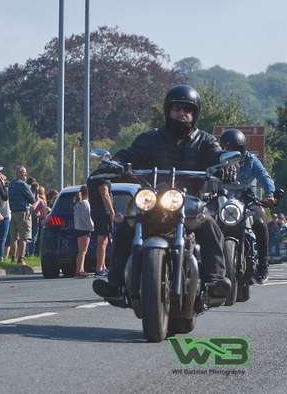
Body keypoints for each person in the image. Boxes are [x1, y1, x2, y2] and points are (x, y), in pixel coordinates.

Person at [92, 84, 231, 300]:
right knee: (126, 224)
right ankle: (115, 280)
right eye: (177, 108)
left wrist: (226, 165)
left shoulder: (205, 140)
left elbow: (218, 156)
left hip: (189, 200)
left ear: (194, 113)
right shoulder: (150, 139)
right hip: (151, 199)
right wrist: (114, 164)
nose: (182, 113)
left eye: (188, 109)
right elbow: (130, 154)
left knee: (210, 224)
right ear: (168, 111)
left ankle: (215, 281)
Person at [219, 128, 275, 284]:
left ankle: (263, 265)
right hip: (221, 199)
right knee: (203, 220)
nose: (229, 152)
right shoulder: (217, 159)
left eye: (233, 149)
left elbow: (265, 177)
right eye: (225, 148)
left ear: (242, 149)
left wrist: (270, 194)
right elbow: (205, 174)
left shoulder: (251, 160)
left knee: (261, 222)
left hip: (245, 199)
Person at [88, 173, 115, 279]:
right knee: (102, 241)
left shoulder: (92, 178)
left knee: (104, 240)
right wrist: (111, 210)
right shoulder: (102, 178)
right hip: (103, 212)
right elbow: (105, 194)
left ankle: (103, 266)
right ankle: (99, 268)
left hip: (97, 211)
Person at [8, 165, 36, 265]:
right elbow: (32, 199)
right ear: (20, 173)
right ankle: (21, 259)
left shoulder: (11, 184)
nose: (26, 175)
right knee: (23, 237)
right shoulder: (23, 185)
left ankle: (13, 258)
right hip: (23, 213)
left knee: (14, 237)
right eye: (24, 173)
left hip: (13, 212)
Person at [73, 185, 94, 278]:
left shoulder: (78, 203)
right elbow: (87, 217)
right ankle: (79, 271)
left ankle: (80, 269)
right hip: (84, 229)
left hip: (78, 228)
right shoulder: (85, 203)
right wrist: (92, 226)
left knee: (81, 251)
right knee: (83, 251)